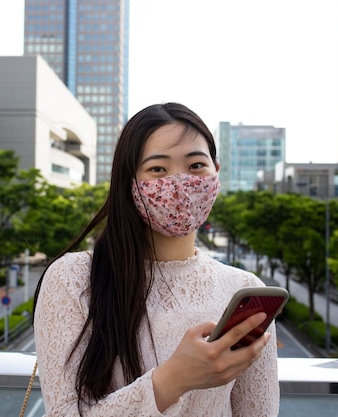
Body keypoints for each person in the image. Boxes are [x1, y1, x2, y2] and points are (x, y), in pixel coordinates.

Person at [33, 102, 279, 416]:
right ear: (129, 182)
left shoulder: (243, 288)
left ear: (216, 172)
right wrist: (173, 379)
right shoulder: (72, 277)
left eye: (195, 166)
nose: (179, 184)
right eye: (158, 169)